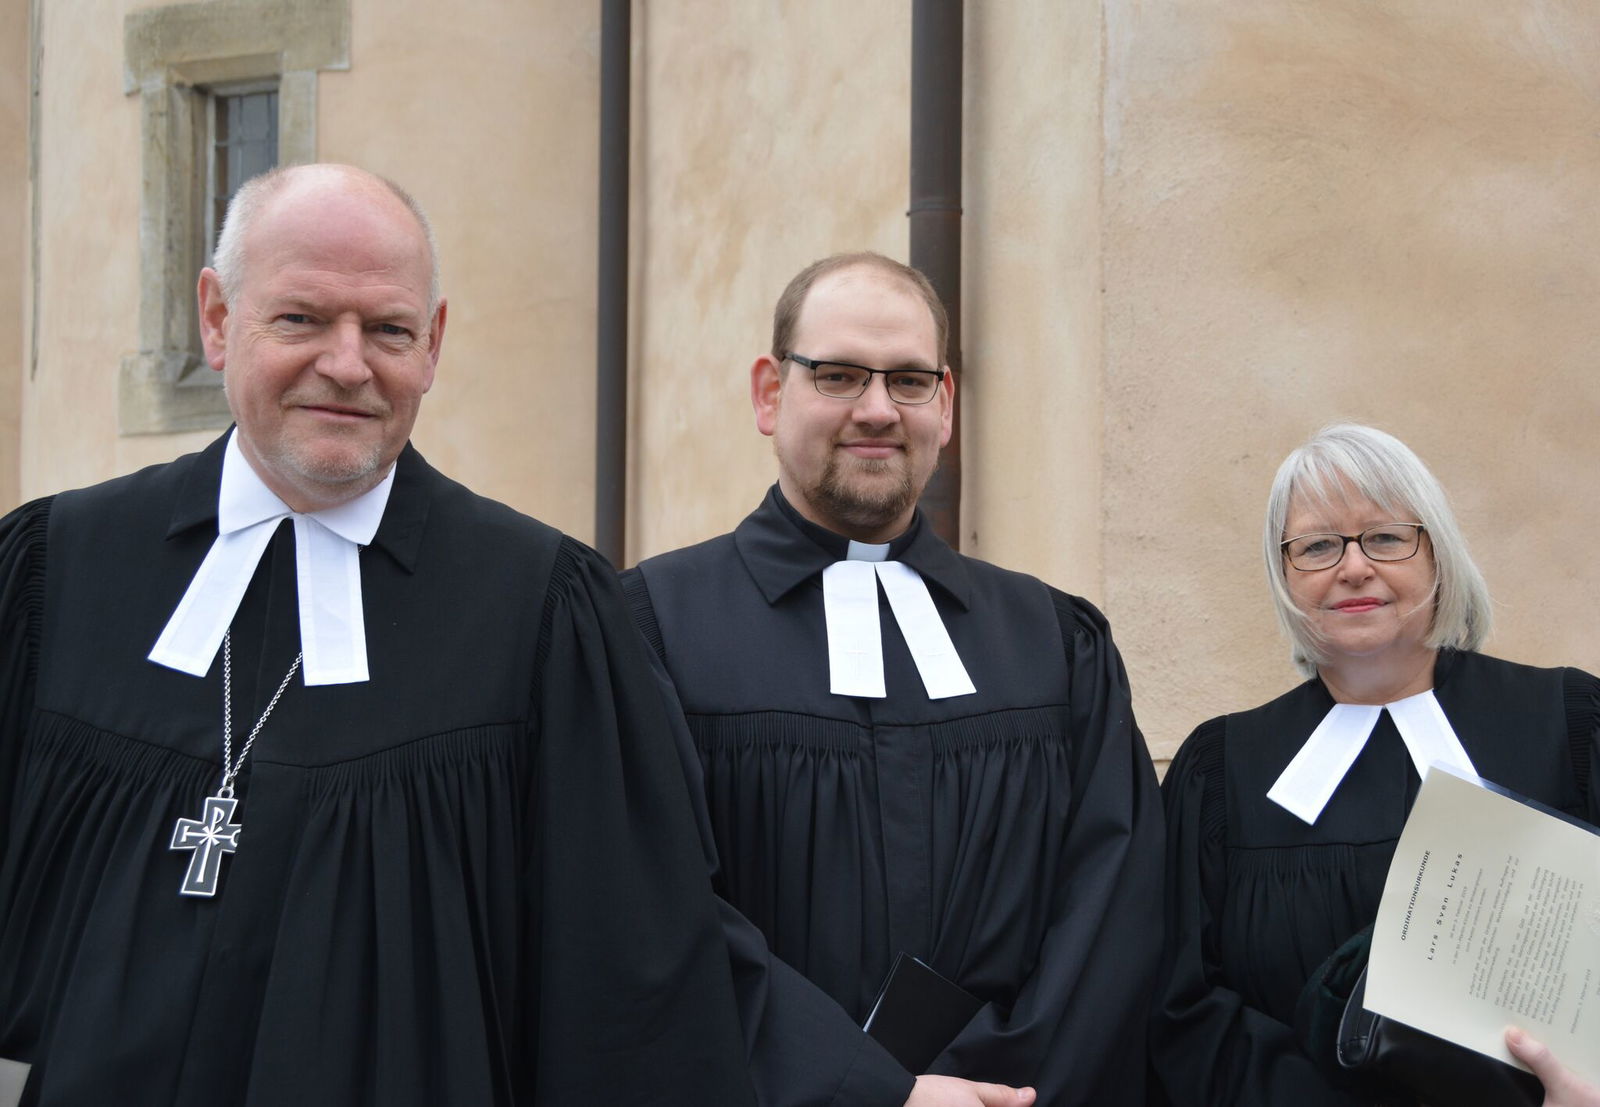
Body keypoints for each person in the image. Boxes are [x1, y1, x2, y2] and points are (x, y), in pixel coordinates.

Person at [0, 164, 756, 1106]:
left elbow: (629, 985)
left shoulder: (538, 609)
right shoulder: (60, 565)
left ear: (433, 345)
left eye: (389, 329)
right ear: (216, 316)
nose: (348, 365)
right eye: (302, 318)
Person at [622, 252, 1164, 1105]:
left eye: (910, 381)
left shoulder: (1054, 643)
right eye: (837, 375)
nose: (877, 409)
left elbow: (1113, 914)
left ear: (944, 406)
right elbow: (650, 908)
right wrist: (868, 1092)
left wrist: (990, 1088)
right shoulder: (655, 626)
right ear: (770, 393)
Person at [1150, 423, 1600, 1106]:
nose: (1353, 567)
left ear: (1437, 555)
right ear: (1285, 573)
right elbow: (1183, 1008)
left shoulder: (1564, 721)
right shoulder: (1224, 770)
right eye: (1318, 545)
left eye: (1386, 537)